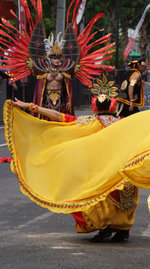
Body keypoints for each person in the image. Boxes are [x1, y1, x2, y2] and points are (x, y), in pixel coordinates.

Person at [9, 72, 139, 242]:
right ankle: (122, 229)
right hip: (121, 170)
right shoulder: (122, 123)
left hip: (100, 172)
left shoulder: (87, 123)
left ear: (94, 106)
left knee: (87, 194)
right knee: (119, 196)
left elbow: (59, 117)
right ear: (113, 105)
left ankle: (105, 226)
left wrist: (32, 107)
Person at [0, 0, 114, 119]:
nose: (57, 59)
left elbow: (73, 77)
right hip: (46, 104)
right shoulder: (40, 67)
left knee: (60, 123)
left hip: (61, 104)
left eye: (59, 57)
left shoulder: (67, 69)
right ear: (48, 57)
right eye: (53, 57)